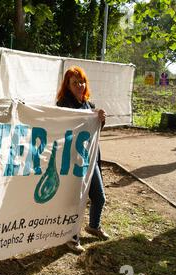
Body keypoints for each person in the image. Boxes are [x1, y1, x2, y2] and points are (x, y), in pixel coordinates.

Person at [56, 65, 110, 254]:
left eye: (82, 81)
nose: (79, 85)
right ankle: (70, 237)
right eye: (74, 82)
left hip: (91, 157)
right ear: (67, 85)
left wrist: (100, 120)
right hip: (73, 161)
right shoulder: (63, 105)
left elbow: (93, 134)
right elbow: (60, 131)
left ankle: (93, 226)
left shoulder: (89, 105)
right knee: (75, 201)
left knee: (99, 197)